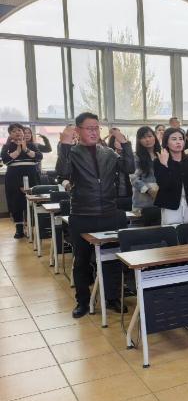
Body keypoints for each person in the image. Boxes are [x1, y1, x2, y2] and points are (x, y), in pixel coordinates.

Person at [56, 113, 134, 318]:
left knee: (111, 259)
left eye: (96, 128)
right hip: (82, 214)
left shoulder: (108, 152)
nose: (93, 132)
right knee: (81, 261)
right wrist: (64, 145)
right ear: (78, 130)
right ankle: (82, 301)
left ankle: (112, 298)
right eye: (89, 128)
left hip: (109, 213)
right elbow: (62, 172)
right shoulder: (72, 152)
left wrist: (125, 144)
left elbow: (129, 167)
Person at [154, 128, 188, 225]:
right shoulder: (160, 159)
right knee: (172, 230)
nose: (178, 142)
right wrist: (164, 166)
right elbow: (164, 184)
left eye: (181, 139)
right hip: (170, 203)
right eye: (174, 139)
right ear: (166, 142)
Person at [1, 123, 42, 238]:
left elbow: (39, 157)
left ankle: (32, 227)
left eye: (19, 130)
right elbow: (6, 160)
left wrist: (25, 149)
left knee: (33, 202)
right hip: (13, 179)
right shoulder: (7, 146)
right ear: (10, 134)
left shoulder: (31, 145)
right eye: (13, 131)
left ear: (23, 132)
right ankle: (19, 229)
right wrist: (18, 150)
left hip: (32, 178)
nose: (17, 133)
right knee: (16, 203)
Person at [131, 126, 160, 213]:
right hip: (143, 201)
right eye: (143, 138)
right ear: (139, 140)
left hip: (161, 200)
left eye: (150, 136)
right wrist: (148, 190)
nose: (147, 140)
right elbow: (133, 178)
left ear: (154, 137)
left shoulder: (162, 154)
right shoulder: (136, 156)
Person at [107, 130, 133, 211]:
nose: (121, 142)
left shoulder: (128, 156)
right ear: (113, 142)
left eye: (123, 140)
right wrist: (117, 155)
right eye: (118, 140)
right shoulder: (108, 155)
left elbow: (129, 169)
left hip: (127, 194)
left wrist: (126, 150)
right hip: (112, 196)